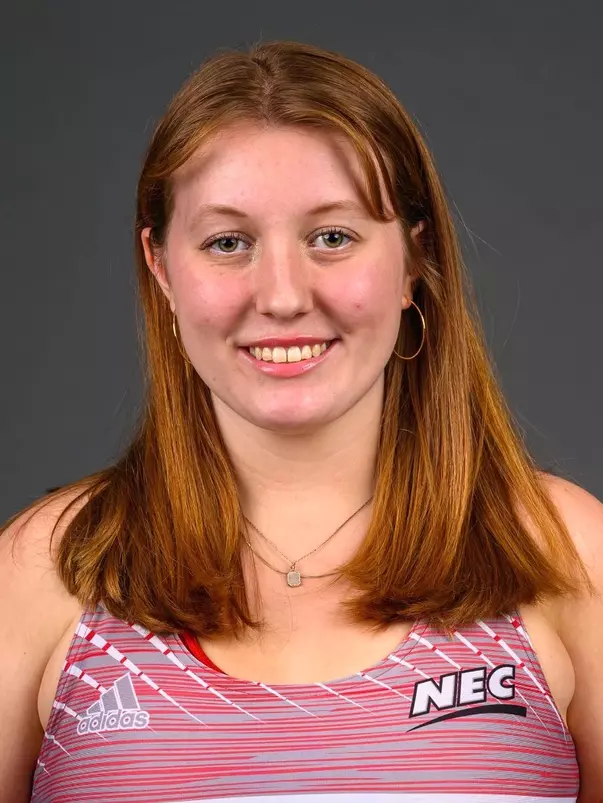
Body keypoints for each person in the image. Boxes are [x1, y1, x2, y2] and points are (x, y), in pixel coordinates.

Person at [1, 39, 602, 803]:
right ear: (161, 269)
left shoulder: (563, 553)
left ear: (413, 260)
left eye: (331, 236)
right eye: (228, 242)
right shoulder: (44, 572)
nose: (282, 295)